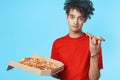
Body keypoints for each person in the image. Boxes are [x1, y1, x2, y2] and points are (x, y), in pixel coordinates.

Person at [51, 0, 103, 80]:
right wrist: (51, 72)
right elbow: (56, 74)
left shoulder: (93, 43)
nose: (75, 22)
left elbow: (94, 78)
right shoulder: (57, 43)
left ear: (85, 20)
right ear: (67, 16)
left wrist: (94, 54)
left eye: (80, 18)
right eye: (72, 17)